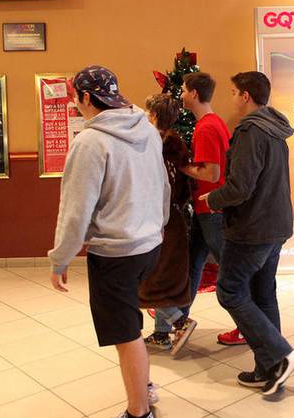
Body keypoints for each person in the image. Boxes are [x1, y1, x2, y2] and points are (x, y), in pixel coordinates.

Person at [48, 65, 169, 418]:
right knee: (130, 320)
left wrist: (61, 258)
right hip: (148, 245)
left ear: (87, 97)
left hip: (115, 252)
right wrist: (157, 226)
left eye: (76, 97)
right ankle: (142, 385)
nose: (75, 104)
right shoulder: (146, 129)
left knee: (125, 334)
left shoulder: (90, 141)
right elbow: (163, 186)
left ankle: (139, 411)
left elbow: (75, 209)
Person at [199, 71, 294, 396]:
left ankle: (280, 354)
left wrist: (212, 199)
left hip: (252, 228)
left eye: (233, 92)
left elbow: (241, 187)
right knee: (262, 293)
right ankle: (268, 369)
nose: (231, 99)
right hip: (275, 226)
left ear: (246, 96)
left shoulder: (250, 130)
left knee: (230, 290)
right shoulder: (275, 129)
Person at [176, 72, 245, 348]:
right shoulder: (214, 123)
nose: (181, 94)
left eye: (183, 89)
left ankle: (247, 325)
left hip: (211, 210)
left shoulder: (205, 127)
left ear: (193, 93)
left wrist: (181, 166)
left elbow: (212, 171)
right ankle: (179, 321)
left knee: (229, 272)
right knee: (193, 263)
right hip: (207, 211)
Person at [140, 94, 194, 356]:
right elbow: (184, 185)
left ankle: (179, 322)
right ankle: (161, 333)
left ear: (152, 115)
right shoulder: (177, 144)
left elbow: (158, 187)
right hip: (174, 216)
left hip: (158, 220)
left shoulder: (150, 145)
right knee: (164, 276)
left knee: (152, 278)